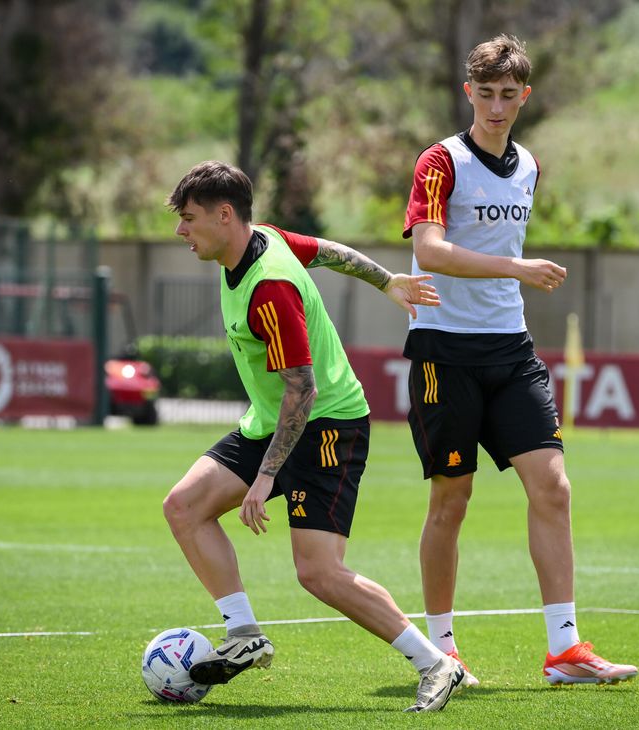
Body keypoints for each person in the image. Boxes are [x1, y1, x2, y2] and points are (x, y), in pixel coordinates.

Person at [162, 160, 465, 712]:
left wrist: (265, 478)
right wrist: (387, 280)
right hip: (272, 420)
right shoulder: (264, 238)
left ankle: (436, 663)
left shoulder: (270, 289)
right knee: (184, 506)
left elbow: (303, 390)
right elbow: (328, 251)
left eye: (189, 218)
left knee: (319, 572)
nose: (181, 230)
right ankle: (244, 634)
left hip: (327, 426)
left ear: (224, 215)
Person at [400, 34, 638, 686]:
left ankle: (565, 650)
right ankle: (442, 651)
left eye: (509, 94)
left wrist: (514, 275)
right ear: (468, 92)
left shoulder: (529, 165)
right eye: (486, 93)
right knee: (452, 499)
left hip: (511, 348)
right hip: (444, 350)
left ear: (525, 96)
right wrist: (515, 268)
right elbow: (430, 251)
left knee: (553, 488)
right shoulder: (440, 161)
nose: (497, 106)